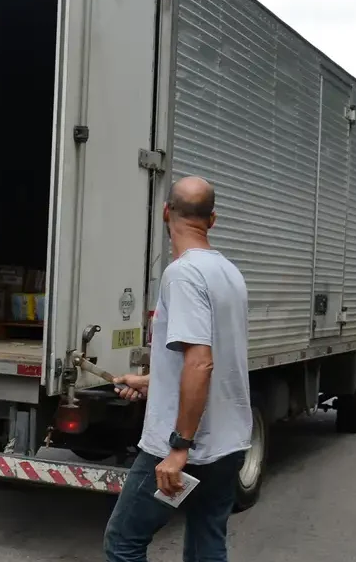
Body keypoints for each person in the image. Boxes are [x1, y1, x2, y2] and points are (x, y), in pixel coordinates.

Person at [104, 176, 251, 562]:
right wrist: (154, 381)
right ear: (213, 220)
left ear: (166, 212)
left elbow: (201, 362)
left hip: (187, 448)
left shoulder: (182, 274)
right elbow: (204, 362)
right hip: (228, 445)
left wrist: (178, 448)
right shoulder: (229, 273)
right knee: (207, 544)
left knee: (123, 542)